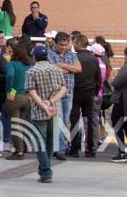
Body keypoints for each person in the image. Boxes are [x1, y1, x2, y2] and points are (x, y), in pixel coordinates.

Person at [25, 45, 66, 183]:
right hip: (55, 109)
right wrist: (50, 101)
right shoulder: (56, 69)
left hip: (39, 111)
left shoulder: (31, 71)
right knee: (49, 141)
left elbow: (32, 92)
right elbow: (63, 89)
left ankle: (46, 171)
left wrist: (43, 105)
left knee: (39, 141)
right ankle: (44, 169)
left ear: (34, 57)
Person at [47, 31, 81, 160]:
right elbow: (52, 70)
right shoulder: (50, 54)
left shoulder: (71, 55)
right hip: (55, 93)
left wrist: (61, 65)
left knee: (65, 121)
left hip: (69, 92)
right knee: (58, 121)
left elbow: (78, 69)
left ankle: (57, 147)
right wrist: (69, 68)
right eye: (61, 44)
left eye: (66, 44)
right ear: (55, 43)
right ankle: (59, 149)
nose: (64, 47)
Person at [68, 35, 101, 158]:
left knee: (75, 120)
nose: (73, 45)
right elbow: (98, 78)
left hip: (76, 92)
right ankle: (90, 149)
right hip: (89, 92)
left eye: (74, 43)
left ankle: (74, 148)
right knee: (89, 121)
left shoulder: (74, 57)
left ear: (78, 43)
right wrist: (95, 92)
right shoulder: (93, 59)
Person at [5, 41, 33, 160]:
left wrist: (8, 90)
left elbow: (10, 76)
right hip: (27, 96)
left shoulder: (12, 64)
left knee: (15, 126)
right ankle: (24, 147)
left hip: (15, 96)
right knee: (22, 124)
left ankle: (19, 151)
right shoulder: (29, 65)